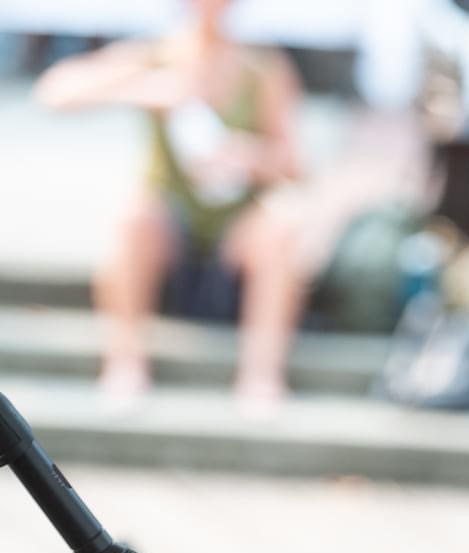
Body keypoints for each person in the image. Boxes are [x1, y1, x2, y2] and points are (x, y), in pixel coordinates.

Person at [32, 0, 307, 410]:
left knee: (282, 226)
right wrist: (142, 90)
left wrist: (247, 157)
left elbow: (295, 164)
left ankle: (261, 374)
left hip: (236, 227)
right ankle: (124, 365)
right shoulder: (155, 55)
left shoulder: (262, 65)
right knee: (133, 215)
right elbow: (53, 92)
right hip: (170, 223)